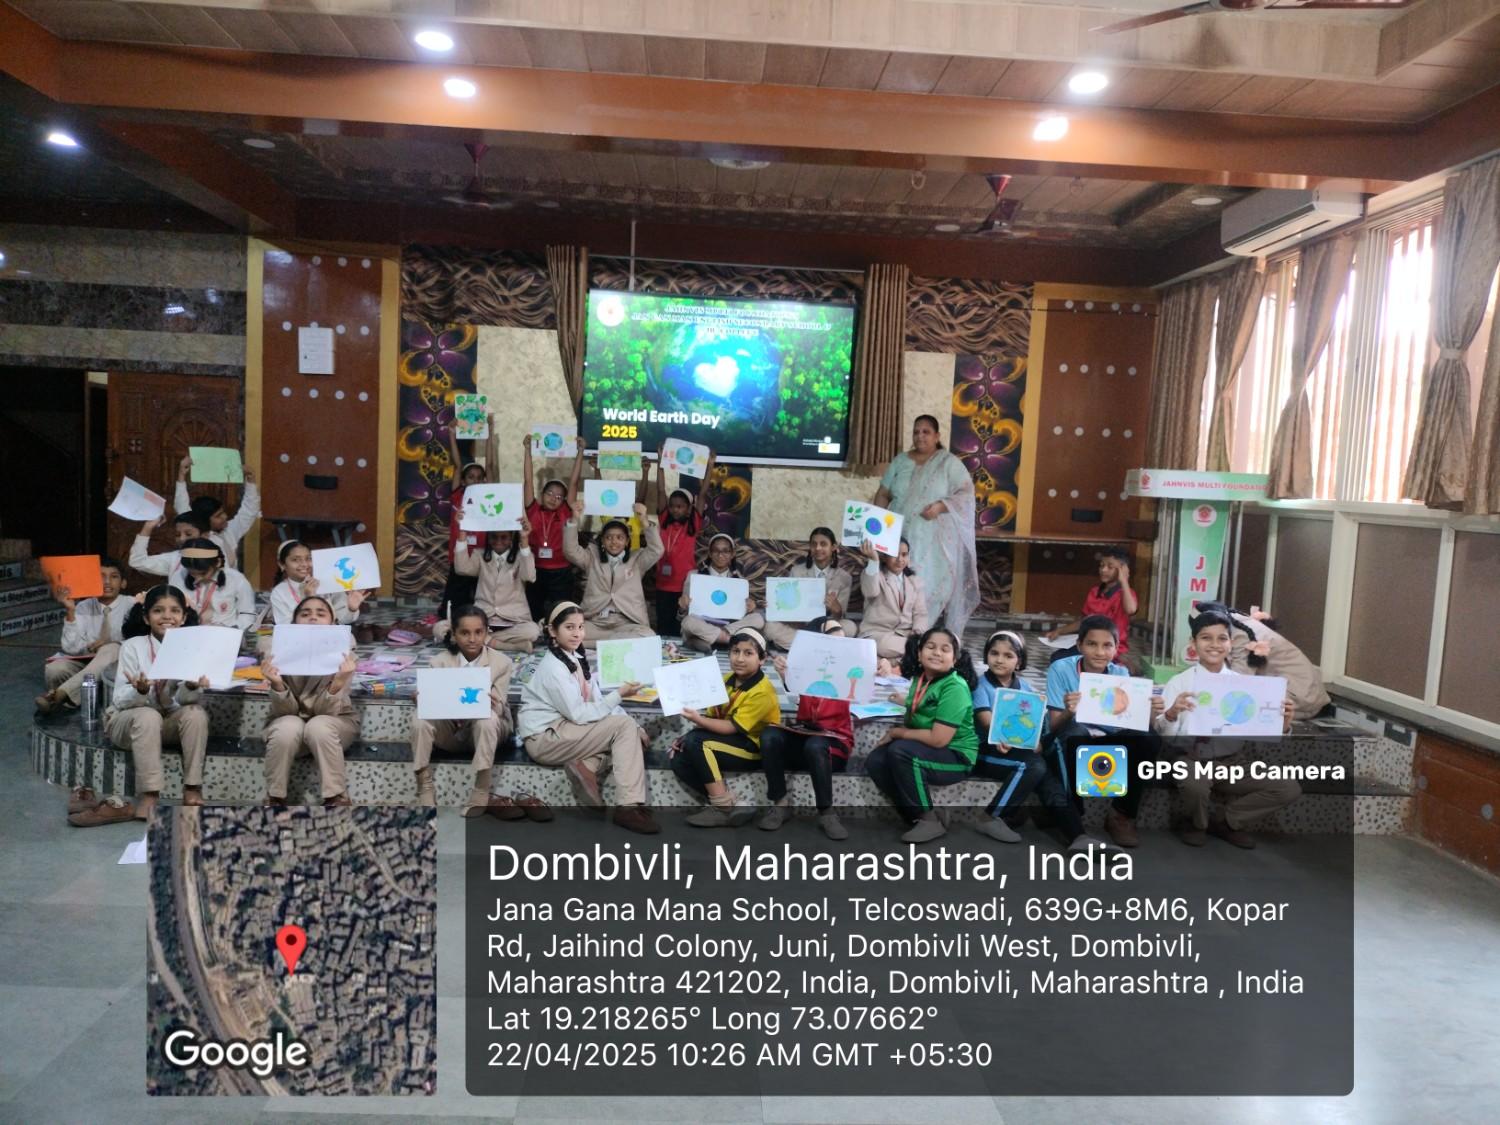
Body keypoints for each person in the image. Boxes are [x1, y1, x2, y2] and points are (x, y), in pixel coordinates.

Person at [1155, 607, 1300, 848]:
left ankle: (1226, 821)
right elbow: (1166, 737)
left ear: (1231, 644)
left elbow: (1261, 736)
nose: (1214, 645)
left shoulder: (1244, 686)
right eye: (1206, 638)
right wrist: (1171, 714)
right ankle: (1196, 823)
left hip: (1233, 762)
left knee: (1287, 787)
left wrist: (1283, 726)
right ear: (1193, 642)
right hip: (1190, 758)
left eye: (1222, 638)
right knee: (1194, 783)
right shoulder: (1179, 683)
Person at [517, 601, 659, 834]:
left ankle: (587, 766)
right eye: (569, 627)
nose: (577, 633)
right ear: (553, 631)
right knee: (624, 729)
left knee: (630, 737)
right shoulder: (553, 667)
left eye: (581, 627)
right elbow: (580, 714)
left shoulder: (574, 657)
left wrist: (636, 726)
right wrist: (619, 695)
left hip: (566, 730)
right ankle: (628, 807)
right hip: (544, 738)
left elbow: (597, 701)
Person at [79, 586, 210, 826]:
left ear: (183, 617)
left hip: (165, 721)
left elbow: (184, 702)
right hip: (128, 722)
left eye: (174, 611)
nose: (167, 616)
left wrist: (191, 686)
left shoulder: (190, 649)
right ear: (146, 617)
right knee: (148, 715)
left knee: (196, 713)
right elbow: (119, 700)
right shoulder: (133, 646)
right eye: (158, 611)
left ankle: (192, 787)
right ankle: (149, 794)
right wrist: (140, 691)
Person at [969, 630, 1104, 851]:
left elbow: (1036, 723)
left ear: (1019, 661)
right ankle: (990, 817)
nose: (1000, 660)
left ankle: (1078, 836)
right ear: (986, 656)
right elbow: (986, 721)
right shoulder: (980, 685)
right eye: (994, 653)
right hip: (987, 751)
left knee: (1047, 775)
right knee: (1034, 765)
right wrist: (1007, 738)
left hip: (1016, 750)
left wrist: (1037, 741)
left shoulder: (1026, 688)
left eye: (1008, 655)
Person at [411, 605, 547, 819]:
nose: (472, 639)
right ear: (454, 634)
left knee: (487, 718)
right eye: (465, 633)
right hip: (451, 731)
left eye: (478, 632)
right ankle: (424, 786)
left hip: (487, 730)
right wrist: (422, 699)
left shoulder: (501, 663)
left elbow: (501, 707)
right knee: (420, 718)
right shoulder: (439, 662)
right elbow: (433, 703)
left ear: (486, 633)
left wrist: (493, 703)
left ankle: (481, 790)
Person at [1045, 614, 1166, 848]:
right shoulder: (1060, 669)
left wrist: (1151, 712)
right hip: (1072, 739)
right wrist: (1069, 711)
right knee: (1074, 732)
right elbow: (1054, 726)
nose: (1100, 652)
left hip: (1106, 739)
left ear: (1116, 647)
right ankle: (1074, 813)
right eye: (1092, 644)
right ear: (1079, 645)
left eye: (1107, 645)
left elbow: (1132, 723)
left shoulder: (1120, 674)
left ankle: (1121, 814)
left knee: (1150, 738)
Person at [864, 627, 979, 843]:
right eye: (931, 647)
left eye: (945, 649)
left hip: (957, 756)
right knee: (876, 761)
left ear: (954, 659)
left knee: (901, 751)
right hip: (931, 749)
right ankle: (920, 816)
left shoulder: (955, 686)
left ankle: (929, 819)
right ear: (919, 653)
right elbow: (922, 705)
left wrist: (898, 732)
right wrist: (904, 702)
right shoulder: (922, 678)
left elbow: (939, 739)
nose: (937, 653)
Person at [872, 415, 980, 637]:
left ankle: (920, 638)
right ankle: (895, 638)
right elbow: (883, 494)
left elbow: (966, 495)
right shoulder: (900, 461)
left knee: (927, 589)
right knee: (895, 586)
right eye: (916, 432)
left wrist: (941, 506)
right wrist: (876, 528)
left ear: (937, 436)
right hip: (899, 538)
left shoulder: (948, 463)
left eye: (926, 432)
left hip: (934, 545)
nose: (920, 436)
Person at [672, 628, 781, 828]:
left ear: (762, 659)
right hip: (728, 741)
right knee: (679, 758)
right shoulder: (727, 680)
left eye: (748, 653)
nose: (740, 658)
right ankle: (732, 803)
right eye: (735, 651)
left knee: (698, 742)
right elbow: (712, 717)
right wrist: (686, 736)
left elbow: (730, 727)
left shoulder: (762, 692)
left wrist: (697, 723)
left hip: (752, 748)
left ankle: (721, 808)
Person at [261, 595, 359, 807]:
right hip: (291, 723)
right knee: (288, 726)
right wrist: (277, 684)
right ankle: (275, 798)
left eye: (320, 613)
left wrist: (338, 682)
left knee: (318, 726)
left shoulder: (345, 656)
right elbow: (283, 713)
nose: (313, 617)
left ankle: (336, 797)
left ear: (333, 622)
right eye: (305, 614)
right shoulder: (278, 654)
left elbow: (328, 713)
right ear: (294, 622)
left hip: (335, 723)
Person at [761, 617, 853, 840]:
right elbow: (793, 684)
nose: (838, 641)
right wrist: (785, 673)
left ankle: (826, 812)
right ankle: (780, 803)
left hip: (833, 744)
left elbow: (868, 674)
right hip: (805, 734)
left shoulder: (850, 668)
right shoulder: (807, 665)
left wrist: (882, 667)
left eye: (841, 638)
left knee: (815, 745)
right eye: (831, 635)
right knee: (770, 735)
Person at [1197, 600, 1332, 720]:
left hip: (1302, 697)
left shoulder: (1239, 634)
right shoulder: (1232, 623)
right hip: (1297, 690)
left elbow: (1239, 681)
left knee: (1230, 710)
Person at [37, 555, 130, 715]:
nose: (107, 582)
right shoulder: (83, 606)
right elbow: (71, 648)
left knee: (112, 648)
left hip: (119, 668)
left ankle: (58, 696)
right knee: (54, 669)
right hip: (87, 663)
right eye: (101, 577)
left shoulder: (133, 604)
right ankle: (82, 697)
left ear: (123, 583)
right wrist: (70, 611)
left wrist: (110, 642)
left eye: (114, 577)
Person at [562, 502, 664, 642]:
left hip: (627, 622)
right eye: (609, 537)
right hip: (596, 622)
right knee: (568, 632)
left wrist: (644, 521)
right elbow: (570, 551)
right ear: (602, 541)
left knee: (647, 635)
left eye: (619, 537)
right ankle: (616, 643)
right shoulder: (591, 557)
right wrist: (574, 519)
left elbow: (657, 550)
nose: (614, 542)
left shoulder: (637, 560)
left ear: (627, 541)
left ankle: (594, 644)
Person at [522, 433, 587, 622]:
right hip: (535, 569)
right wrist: (527, 450)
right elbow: (528, 480)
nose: (553, 498)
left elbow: (574, 482)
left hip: (561, 572)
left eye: (559, 496)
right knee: (534, 613)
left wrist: (581, 451)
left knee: (561, 614)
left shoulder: (566, 511)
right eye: (550, 493)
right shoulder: (533, 509)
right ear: (542, 494)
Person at [450, 521, 542, 651]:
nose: (498, 541)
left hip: (514, 619)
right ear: (488, 538)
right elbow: (461, 569)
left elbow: (529, 576)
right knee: (440, 628)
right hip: (484, 616)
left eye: (504, 537)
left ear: (511, 539)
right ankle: (507, 645)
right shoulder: (480, 554)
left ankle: (480, 639)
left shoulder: (521, 556)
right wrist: (462, 532)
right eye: (494, 537)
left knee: (532, 631)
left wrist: (524, 539)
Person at [652, 442, 714, 633]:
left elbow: (702, 493)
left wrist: (710, 465)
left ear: (689, 509)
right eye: (672, 506)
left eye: (680, 506)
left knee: (681, 627)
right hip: (663, 583)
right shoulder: (664, 520)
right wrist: (660, 461)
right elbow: (661, 490)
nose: (675, 509)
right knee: (663, 625)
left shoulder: (692, 524)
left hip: (685, 585)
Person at [760, 527, 855, 651]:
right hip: (798, 626)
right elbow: (788, 605)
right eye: (814, 544)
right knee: (770, 626)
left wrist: (836, 609)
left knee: (850, 627)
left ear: (833, 547)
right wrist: (774, 605)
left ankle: (802, 645)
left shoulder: (844, 577)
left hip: (825, 626)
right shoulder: (797, 571)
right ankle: (821, 646)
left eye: (823, 544)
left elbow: (839, 617)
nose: (818, 548)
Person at [1045, 548, 1139, 667]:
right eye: (1101, 566)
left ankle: (1117, 664)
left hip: (1111, 647)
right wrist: (1059, 631)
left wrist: (1124, 581)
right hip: (1090, 644)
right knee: (1057, 658)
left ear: (1123, 570)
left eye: (1110, 567)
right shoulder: (1094, 592)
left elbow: (1131, 609)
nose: (1103, 570)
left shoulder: (1126, 593)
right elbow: (1085, 621)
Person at [677, 533, 765, 653]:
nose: (720, 555)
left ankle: (711, 639)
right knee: (688, 622)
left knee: (758, 619)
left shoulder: (739, 581)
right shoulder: (694, 576)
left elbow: (740, 614)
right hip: (702, 624)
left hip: (727, 626)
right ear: (710, 553)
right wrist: (682, 608)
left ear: (732, 554)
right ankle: (730, 640)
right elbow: (682, 616)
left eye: (726, 551)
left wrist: (750, 608)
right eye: (716, 550)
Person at [173, 452, 260, 570]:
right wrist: (181, 475)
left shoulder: (229, 531)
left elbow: (249, 511)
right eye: (218, 516)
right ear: (204, 521)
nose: (225, 517)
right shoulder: (198, 539)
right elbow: (182, 508)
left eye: (223, 512)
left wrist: (250, 481)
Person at [440, 421, 491, 618]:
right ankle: (449, 620)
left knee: (478, 598)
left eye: (479, 477)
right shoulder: (457, 496)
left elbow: (490, 466)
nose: (475, 480)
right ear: (463, 481)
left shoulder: (488, 498)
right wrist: (452, 434)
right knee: (455, 599)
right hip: (460, 556)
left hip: (480, 556)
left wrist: (490, 431)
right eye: (470, 477)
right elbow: (458, 464)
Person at [856, 537, 929, 661]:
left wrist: (917, 634)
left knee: (942, 641)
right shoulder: (874, 574)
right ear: (884, 557)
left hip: (905, 637)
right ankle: (910, 654)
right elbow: (871, 592)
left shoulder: (915, 582)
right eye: (894, 555)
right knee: (921, 648)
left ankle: (892, 662)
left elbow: (920, 613)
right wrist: (874, 560)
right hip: (878, 635)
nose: (900, 559)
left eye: (904, 555)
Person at [267, 540, 365, 625]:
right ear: (282, 564)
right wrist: (309, 598)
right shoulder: (279, 592)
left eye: (308, 558)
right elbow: (286, 627)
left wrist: (351, 609)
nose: (304, 564)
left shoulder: (327, 584)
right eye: (295, 560)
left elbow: (340, 621)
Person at [170, 539, 257, 631]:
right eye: (192, 573)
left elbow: (247, 614)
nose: (198, 578)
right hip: (188, 633)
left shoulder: (236, 579)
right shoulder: (178, 577)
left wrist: (232, 629)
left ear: (218, 562)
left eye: (203, 573)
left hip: (226, 633)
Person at [128, 511, 211, 577]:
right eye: (177, 534)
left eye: (188, 534)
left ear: (205, 535)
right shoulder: (174, 558)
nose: (182, 539)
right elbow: (137, 561)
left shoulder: (217, 559)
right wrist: (148, 527)